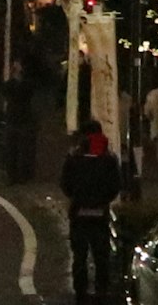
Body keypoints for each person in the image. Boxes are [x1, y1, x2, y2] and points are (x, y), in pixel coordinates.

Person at [63, 124, 126, 305]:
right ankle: (101, 291)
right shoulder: (108, 159)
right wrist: (103, 200)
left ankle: (81, 292)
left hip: (79, 213)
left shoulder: (74, 158)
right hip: (100, 212)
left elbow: (65, 184)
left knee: (80, 255)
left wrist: (77, 197)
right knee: (101, 255)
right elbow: (115, 185)